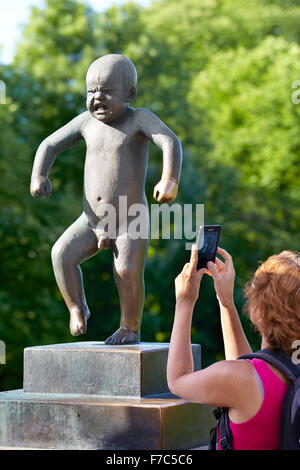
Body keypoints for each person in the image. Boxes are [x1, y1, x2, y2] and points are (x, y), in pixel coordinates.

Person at [30, 54, 182, 344]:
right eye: (91, 91)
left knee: (125, 270)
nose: (97, 98)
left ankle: (130, 327)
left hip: (129, 218)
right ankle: (77, 307)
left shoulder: (139, 119)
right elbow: (49, 144)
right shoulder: (85, 123)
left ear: (130, 93)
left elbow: (169, 140)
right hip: (90, 220)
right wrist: (39, 175)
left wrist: (169, 179)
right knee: (61, 254)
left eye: (108, 91)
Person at [167, 245, 300, 450]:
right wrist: (225, 302)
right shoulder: (287, 370)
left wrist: (185, 301)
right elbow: (249, 368)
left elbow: (178, 381)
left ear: (257, 313)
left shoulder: (240, 379)